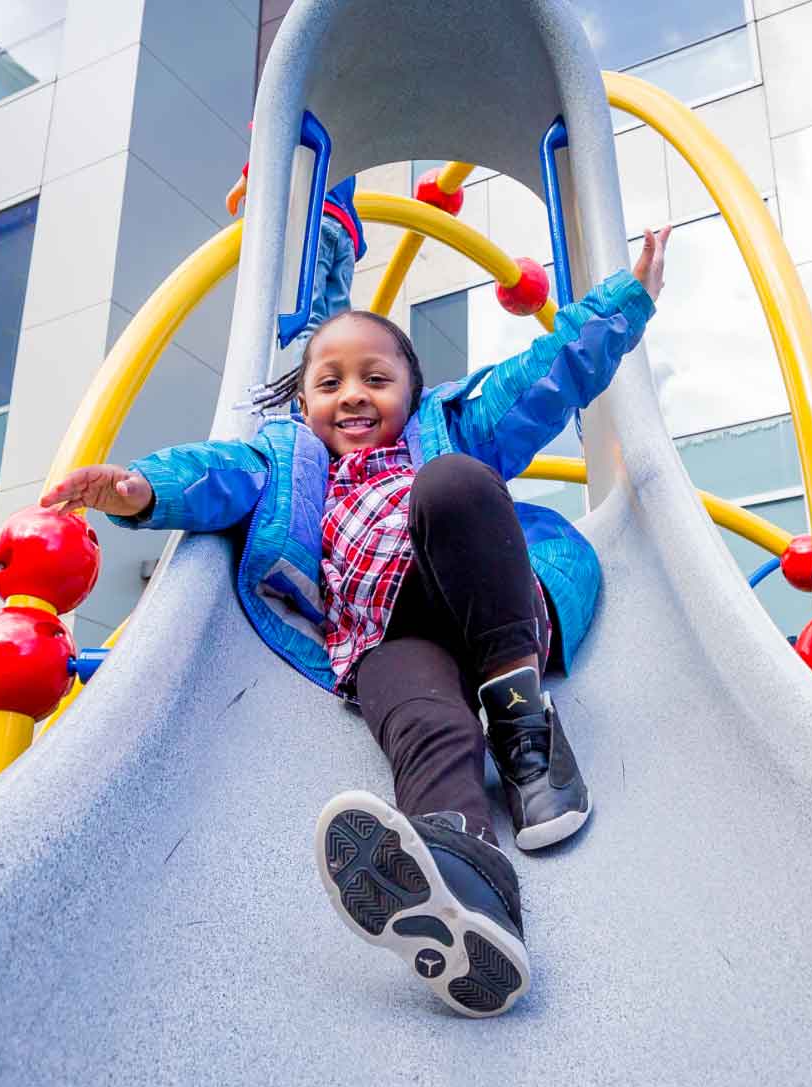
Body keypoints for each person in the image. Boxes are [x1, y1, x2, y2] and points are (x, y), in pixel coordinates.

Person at [42, 228, 672, 1018]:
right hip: (384, 633)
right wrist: (140, 489)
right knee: (419, 720)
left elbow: (543, 380)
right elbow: (213, 475)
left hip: (488, 604)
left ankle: (527, 739)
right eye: (330, 382)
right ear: (302, 402)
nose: (352, 396)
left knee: (455, 486)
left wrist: (627, 300)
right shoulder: (285, 466)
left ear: (412, 391)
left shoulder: (448, 434)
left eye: (376, 378)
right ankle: (468, 879)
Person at [226, 156, 364, 344]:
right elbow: (359, 239)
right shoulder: (342, 154)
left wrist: (245, 178)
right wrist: (356, 246)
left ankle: (306, 372)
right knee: (338, 323)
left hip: (313, 224)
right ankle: (341, 369)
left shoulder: (309, 134)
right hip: (345, 235)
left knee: (307, 317)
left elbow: (276, 141)